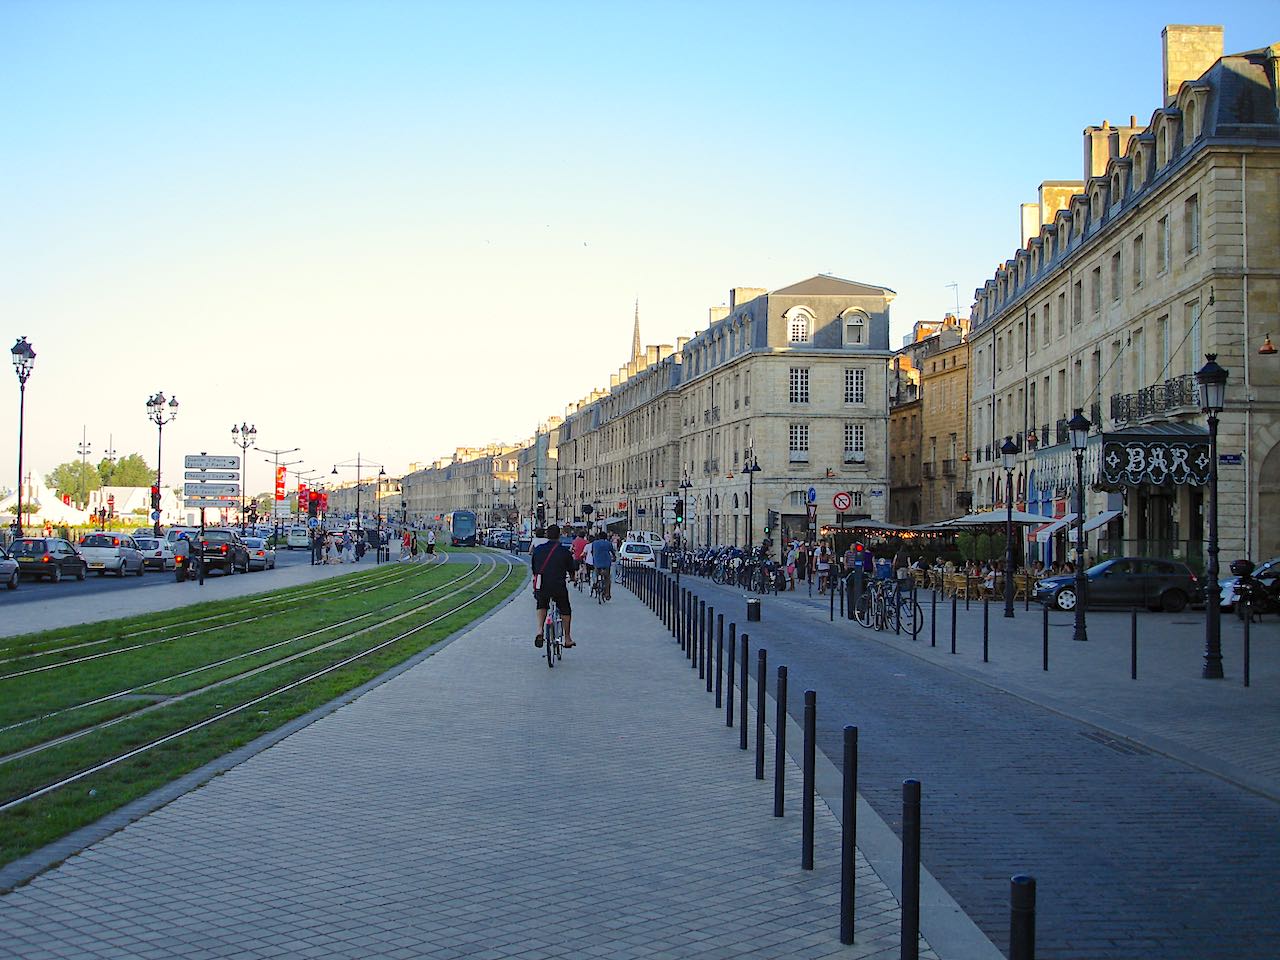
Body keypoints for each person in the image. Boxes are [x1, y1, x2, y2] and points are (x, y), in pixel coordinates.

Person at [531, 523, 577, 649]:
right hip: (558, 585)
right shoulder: (564, 551)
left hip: (542, 584)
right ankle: (567, 638)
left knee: (541, 604)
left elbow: (535, 569)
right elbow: (571, 570)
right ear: (559, 536)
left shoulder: (539, 549)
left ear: (547, 535)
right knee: (565, 609)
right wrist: (573, 578)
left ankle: (540, 630)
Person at [590, 532, 617, 600]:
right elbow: (612, 552)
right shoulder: (608, 543)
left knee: (595, 572)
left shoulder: (594, 543)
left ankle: (595, 582)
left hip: (597, 562)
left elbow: (592, 552)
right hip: (606, 563)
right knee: (607, 578)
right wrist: (614, 557)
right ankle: (607, 594)